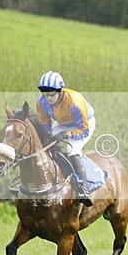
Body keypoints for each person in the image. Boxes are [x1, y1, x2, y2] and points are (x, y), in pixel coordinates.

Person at [36, 71, 96, 206]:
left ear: (61, 90)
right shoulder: (40, 103)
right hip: (62, 123)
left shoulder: (75, 102)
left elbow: (83, 129)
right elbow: (45, 123)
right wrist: (48, 136)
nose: (49, 98)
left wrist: (66, 135)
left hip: (83, 125)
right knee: (51, 146)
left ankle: (83, 188)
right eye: (45, 93)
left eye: (52, 93)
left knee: (72, 149)